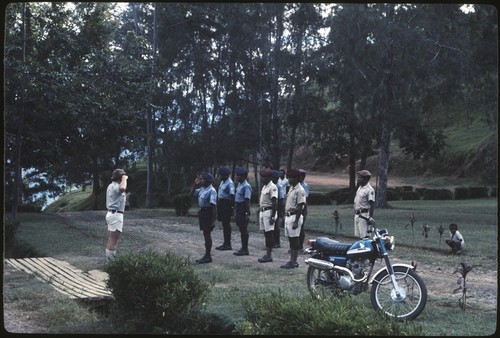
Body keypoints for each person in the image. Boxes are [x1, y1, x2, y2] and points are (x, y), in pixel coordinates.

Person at [281, 168, 306, 269]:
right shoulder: (291, 188)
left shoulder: (300, 190)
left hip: (294, 216)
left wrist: (296, 221)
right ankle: (291, 260)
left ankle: (294, 261)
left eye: (291, 178)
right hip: (288, 215)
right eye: (288, 178)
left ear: (297, 178)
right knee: (291, 240)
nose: (289, 180)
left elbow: (300, 206)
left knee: (295, 240)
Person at [191, 172, 217, 263]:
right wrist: (195, 184)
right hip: (202, 212)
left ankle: (208, 255)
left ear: (208, 181)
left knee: (207, 234)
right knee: (205, 234)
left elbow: (213, 207)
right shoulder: (202, 189)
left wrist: (213, 221)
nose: (200, 180)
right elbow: (191, 194)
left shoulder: (211, 190)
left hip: (208, 213)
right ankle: (206, 255)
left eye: (202, 179)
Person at [105, 169, 128, 262]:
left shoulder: (111, 185)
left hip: (111, 214)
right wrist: (125, 179)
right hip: (116, 215)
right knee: (113, 241)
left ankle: (109, 262)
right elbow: (122, 188)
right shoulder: (117, 186)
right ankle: (111, 264)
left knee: (111, 240)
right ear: (120, 177)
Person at [257, 168, 278, 263]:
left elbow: (274, 202)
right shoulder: (264, 186)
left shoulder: (272, 187)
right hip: (263, 211)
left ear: (269, 177)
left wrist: (273, 216)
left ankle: (269, 254)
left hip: (269, 212)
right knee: (266, 233)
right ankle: (267, 253)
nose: (262, 178)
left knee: (269, 234)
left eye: (264, 177)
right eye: (262, 177)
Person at [233, 167, 252, 256]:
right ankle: (243, 247)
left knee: (244, 229)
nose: (236, 177)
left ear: (243, 176)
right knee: (241, 228)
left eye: (238, 176)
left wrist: (247, 213)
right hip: (239, 207)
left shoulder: (246, 186)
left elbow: (247, 200)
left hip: (243, 207)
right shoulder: (240, 185)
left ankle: (245, 249)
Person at [216, 166, 235, 250]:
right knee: (224, 224)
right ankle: (225, 242)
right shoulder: (223, 182)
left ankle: (228, 244)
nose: (220, 176)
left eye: (222, 175)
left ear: (226, 175)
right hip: (221, 203)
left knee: (226, 224)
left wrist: (231, 207)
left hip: (226, 203)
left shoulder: (229, 183)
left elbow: (232, 195)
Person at [353, 169, 375, 238]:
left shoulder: (369, 190)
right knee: (358, 236)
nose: (358, 179)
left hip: (364, 215)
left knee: (364, 236)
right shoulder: (360, 187)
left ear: (366, 179)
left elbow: (372, 205)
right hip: (357, 214)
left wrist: (370, 218)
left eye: (360, 178)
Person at [298, 169, 309, 252]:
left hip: (302, 209)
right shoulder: (296, 185)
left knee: (301, 228)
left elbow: (305, 200)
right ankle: (297, 245)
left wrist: (303, 211)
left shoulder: (304, 186)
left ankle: (300, 246)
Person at [271, 170, 283, 248]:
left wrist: (279, 210)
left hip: (277, 206)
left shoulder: (279, 186)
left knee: (276, 225)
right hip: (273, 206)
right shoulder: (272, 185)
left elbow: (281, 199)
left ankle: (277, 242)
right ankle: (273, 241)